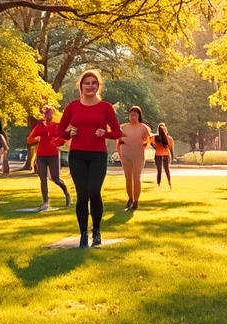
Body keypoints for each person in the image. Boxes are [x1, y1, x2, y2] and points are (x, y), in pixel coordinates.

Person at [57, 70, 122, 248]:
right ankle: (83, 233)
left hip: (98, 155)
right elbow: (60, 131)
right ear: (81, 86)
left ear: (98, 86)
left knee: (94, 191)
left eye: (94, 83)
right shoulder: (72, 107)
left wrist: (105, 133)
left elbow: (117, 132)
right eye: (87, 83)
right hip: (77, 155)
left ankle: (97, 230)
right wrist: (69, 133)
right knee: (82, 194)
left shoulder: (105, 107)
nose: (90, 86)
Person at [27, 105, 71, 211]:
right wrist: (36, 139)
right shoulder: (39, 127)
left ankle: (67, 193)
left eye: (49, 113)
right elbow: (29, 140)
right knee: (43, 179)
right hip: (41, 155)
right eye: (45, 113)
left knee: (55, 179)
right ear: (43, 114)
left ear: (53, 114)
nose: (47, 115)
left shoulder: (56, 126)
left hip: (53, 155)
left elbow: (63, 139)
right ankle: (45, 202)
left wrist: (57, 142)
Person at [117, 106, 150, 211]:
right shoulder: (123, 127)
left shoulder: (143, 127)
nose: (133, 116)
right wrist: (120, 153)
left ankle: (136, 201)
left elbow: (148, 140)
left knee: (136, 178)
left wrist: (142, 145)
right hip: (126, 155)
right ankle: (130, 199)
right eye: (131, 114)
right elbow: (119, 141)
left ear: (139, 116)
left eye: (135, 114)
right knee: (128, 178)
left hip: (138, 155)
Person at [151, 123, 175, 190]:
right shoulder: (169, 139)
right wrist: (173, 156)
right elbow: (171, 149)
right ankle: (169, 184)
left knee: (160, 170)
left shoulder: (155, 138)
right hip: (164, 155)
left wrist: (155, 147)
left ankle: (159, 184)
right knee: (166, 170)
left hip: (159, 155)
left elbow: (151, 143)